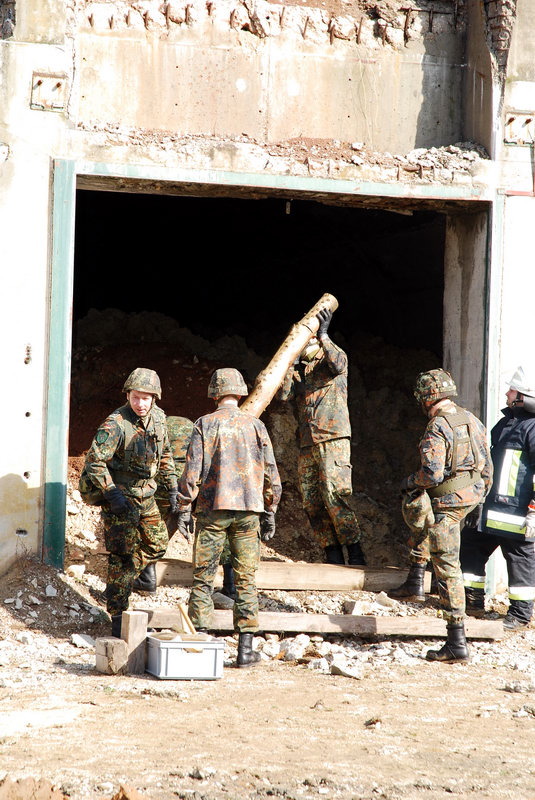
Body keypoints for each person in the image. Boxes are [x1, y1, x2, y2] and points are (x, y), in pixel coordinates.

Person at [175, 368, 282, 668]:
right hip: (249, 512)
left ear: (215, 393)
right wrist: (270, 509)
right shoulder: (257, 426)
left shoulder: (204, 424)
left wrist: (184, 507)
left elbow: (191, 472)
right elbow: (271, 473)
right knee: (246, 580)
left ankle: (199, 648)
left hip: (212, 512)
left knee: (203, 578)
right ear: (239, 392)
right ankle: (245, 651)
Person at [393, 369, 492, 663]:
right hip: (470, 497)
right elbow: (487, 468)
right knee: (424, 515)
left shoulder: (437, 426)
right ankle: (415, 581)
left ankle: (456, 642)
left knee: (447, 568)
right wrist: (478, 501)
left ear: (426, 398)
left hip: (447, 505)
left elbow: (432, 474)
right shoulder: (472, 419)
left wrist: (409, 482)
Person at [83, 368, 178, 636]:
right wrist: (111, 493)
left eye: (146, 398)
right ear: (127, 395)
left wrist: (172, 487)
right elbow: (94, 461)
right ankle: (116, 618)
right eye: (136, 397)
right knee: (122, 555)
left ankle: (119, 582)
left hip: (146, 495)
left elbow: (165, 455)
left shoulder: (159, 418)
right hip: (121, 499)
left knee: (157, 544)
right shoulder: (115, 423)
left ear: (154, 398)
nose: (140, 403)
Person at [277, 308, 365, 566]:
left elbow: (339, 364)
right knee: (312, 502)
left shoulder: (330, 358)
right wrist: (290, 362)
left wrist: (325, 335)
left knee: (335, 496)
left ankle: (355, 554)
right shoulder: (300, 370)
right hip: (307, 443)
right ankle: (332, 553)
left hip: (332, 438)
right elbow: (283, 396)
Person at [461, 367, 535, 630]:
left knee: (520, 561)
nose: (506, 393)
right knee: (470, 547)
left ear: (523, 396)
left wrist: (534, 511)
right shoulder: (506, 424)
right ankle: (472, 602)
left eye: (511, 390)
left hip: (516, 513)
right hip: (491, 509)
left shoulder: (532, 428)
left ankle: (520, 615)